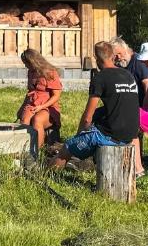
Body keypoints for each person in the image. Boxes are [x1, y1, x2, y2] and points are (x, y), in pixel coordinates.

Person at [51, 41, 142, 176]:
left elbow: (88, 116)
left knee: (68, 147)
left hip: (111, 136)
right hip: (131, 134)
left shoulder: (100, 78)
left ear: (97, 59)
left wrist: (79, 135)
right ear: (113, 56)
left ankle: (47, 175)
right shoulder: (128, 75)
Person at [17, 48, 62, 150]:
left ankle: (37, 151)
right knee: (24, 121)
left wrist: (42, 106)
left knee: (37, 120)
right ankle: (22, 149)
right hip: (33, 104)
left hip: (48, 107)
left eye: (27, 63)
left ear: (33, 62)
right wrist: (22, 108)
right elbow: (30, 92)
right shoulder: (31, 72)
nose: (25, 66)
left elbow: (56, 95)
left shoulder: (50, 72)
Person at [110, 36, 148, 105]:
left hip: (140, 106)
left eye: (119, 53)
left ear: (125, 49)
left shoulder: (139, 62)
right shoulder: (118, 65)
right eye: (115, 55)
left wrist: (147, 110)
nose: (118, 57)